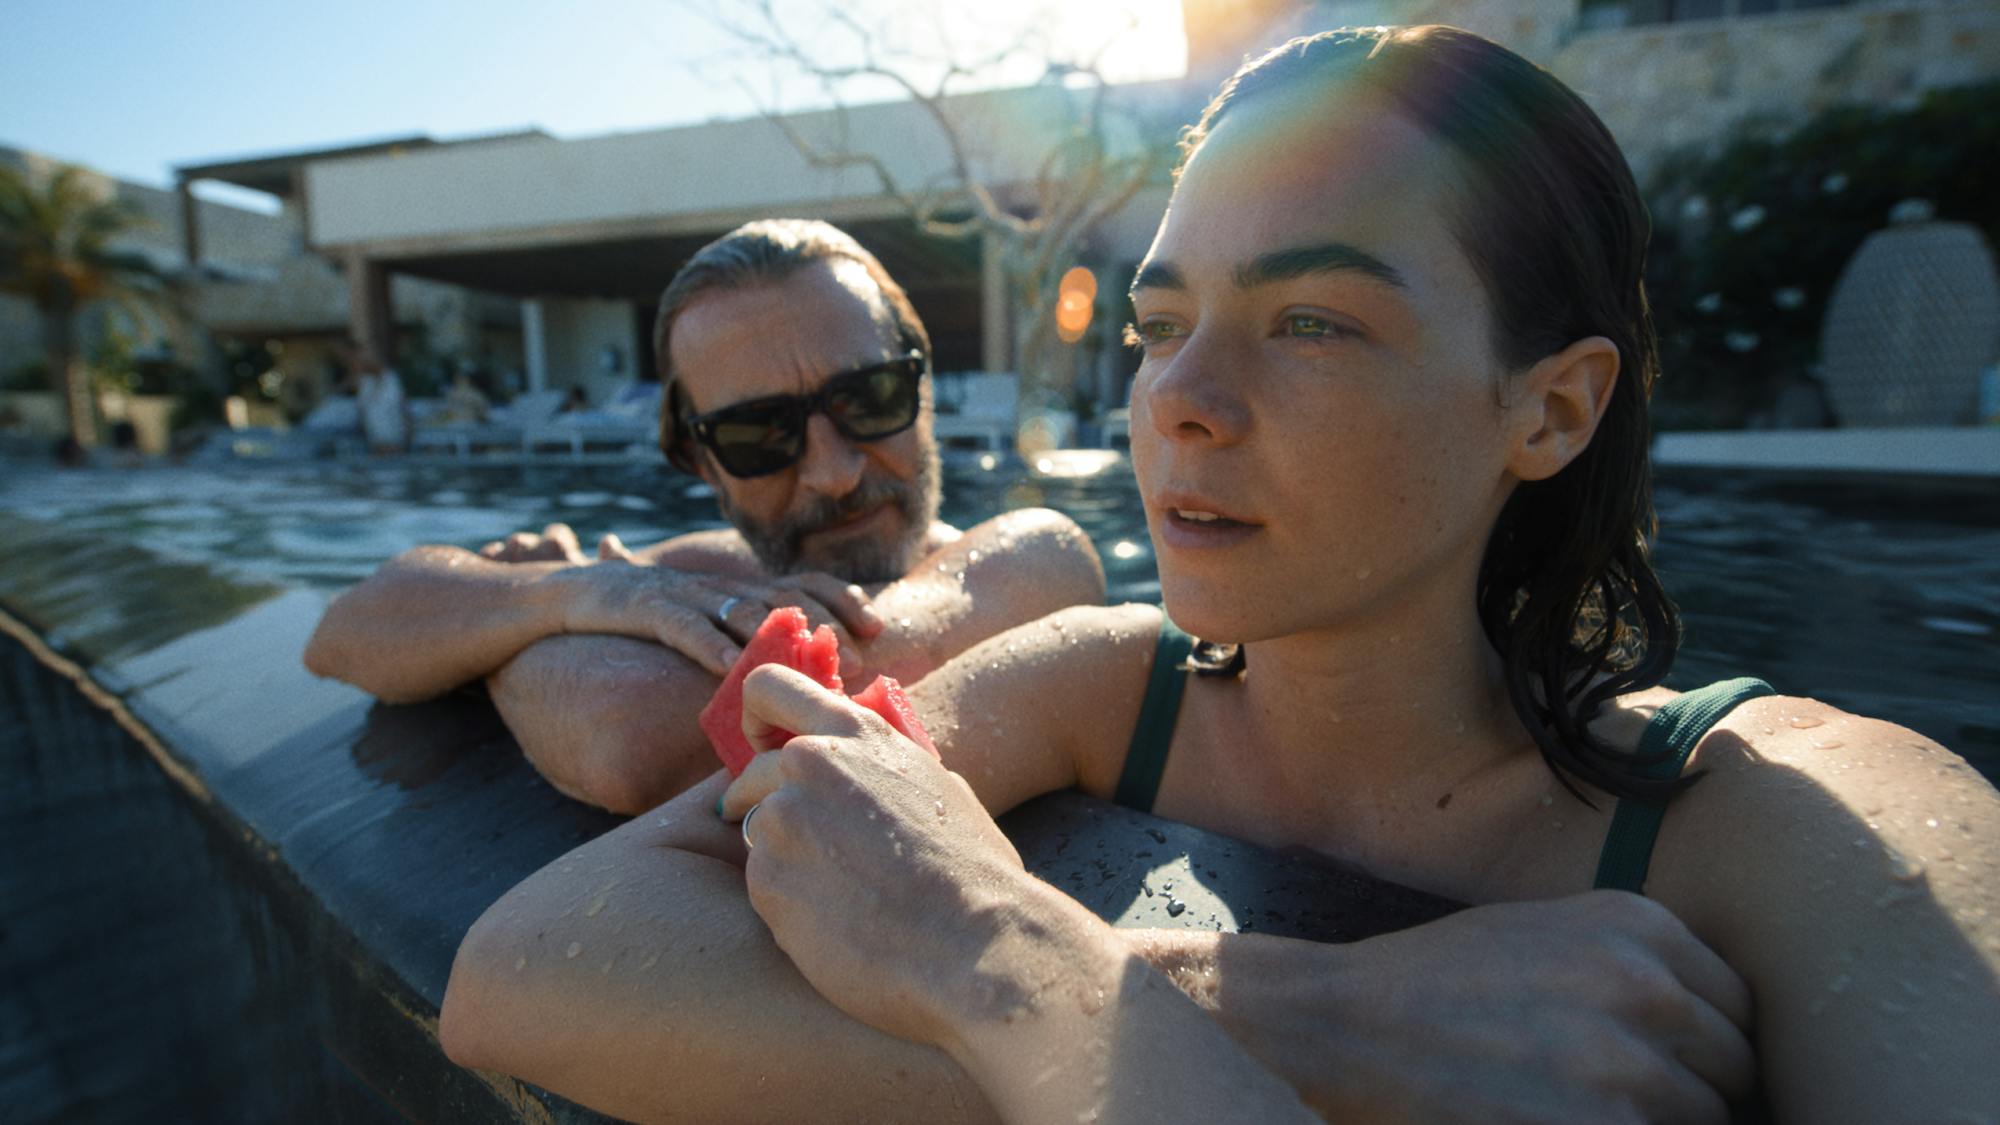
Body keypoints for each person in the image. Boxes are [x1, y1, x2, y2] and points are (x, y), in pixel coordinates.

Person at [442, 27, 2000, 1121]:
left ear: (1551, 406)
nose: (1182, 396)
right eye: (1157, 321)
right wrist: (1295, 1016)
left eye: (1314, 319)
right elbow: (522, 972)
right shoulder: (1109, 682)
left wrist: (1004, 968)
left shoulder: (1814, 830)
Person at [305, 220, 1105, 813]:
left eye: (872, 397)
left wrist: (508, 629)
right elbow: (344, 631)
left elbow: (631, 739)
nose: (835, 472)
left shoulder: (1031, 561)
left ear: (924, 392)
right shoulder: (685, 580)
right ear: (699, 461)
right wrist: (570, 594)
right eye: (760, 435)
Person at [345, 341, 409, 454]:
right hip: (376, 450)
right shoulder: (365, 384)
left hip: (397, 448)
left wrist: (404, 446)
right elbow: (364, 417)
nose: (356, 364)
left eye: (359, 360)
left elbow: (405, 413)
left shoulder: (391, 381)